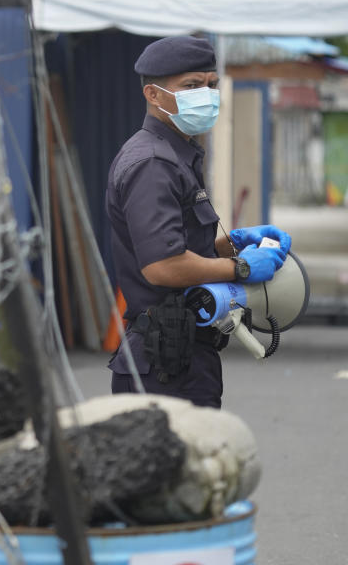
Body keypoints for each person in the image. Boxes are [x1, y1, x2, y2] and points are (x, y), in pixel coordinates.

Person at [104, 35, 292, 409]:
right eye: (191, 86)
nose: (205, 94)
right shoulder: (154, 164)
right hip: (162, 365)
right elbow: (163, 265)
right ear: (153, 95)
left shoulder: (178, 153)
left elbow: (182, 244)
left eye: (211, 85)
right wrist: (239, 267)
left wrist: (233, 242)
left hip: (181, 354)